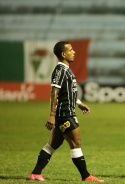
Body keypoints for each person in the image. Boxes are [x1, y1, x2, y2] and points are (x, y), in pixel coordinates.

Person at [28, 41, 104, 182]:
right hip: (65, 114)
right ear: (63, 54)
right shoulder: (60, 70)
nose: (73, 51)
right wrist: (52, 115)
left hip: (65, 112)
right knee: (76, 143)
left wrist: (79, 103)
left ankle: (35, 173)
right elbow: (54, 92)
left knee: (53, 144)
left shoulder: (66, 70)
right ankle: (86, 176)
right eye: (70, 50)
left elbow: (67, 92)